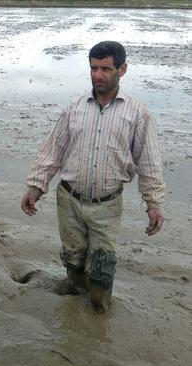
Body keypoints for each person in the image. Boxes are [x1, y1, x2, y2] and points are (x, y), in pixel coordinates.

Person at [21, 41, 165, 313]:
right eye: (93, 68)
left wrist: (154, 204)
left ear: (122, 70)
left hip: (107, 205)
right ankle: (74, 304)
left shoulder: (138, 114)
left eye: (105, 69)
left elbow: (149, 164)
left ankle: (98, 310)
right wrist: (34, 189)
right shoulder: (74, 109)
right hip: (69, 200)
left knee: (102, 266)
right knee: (73, 259)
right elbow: (52, 152)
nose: (98, 75)